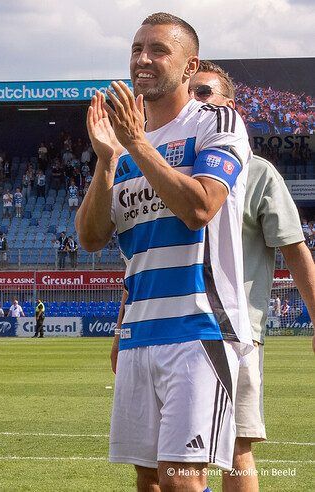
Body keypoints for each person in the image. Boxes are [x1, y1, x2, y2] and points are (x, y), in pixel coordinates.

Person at [76, 14, 253, 489]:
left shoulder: (216, 121)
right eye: (136, 49)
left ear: (190, 65)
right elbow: (91, 238)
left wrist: (135, 142)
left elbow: (199, 207)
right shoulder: (122, 140)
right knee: (149, 481)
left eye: (158, 50)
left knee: (182, 480)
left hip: (200, 329)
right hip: (139, 333)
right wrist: (107, 159)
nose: (143, 60)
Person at [191, 60, 315, 490]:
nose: (195, 100)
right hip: (166, 326)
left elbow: (295, 251)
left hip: (232, 331)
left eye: (205, 92)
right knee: (168, 460)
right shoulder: (163, 170)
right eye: (190, 92)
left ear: (230, 105)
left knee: (236, 447)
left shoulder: (258, 171)